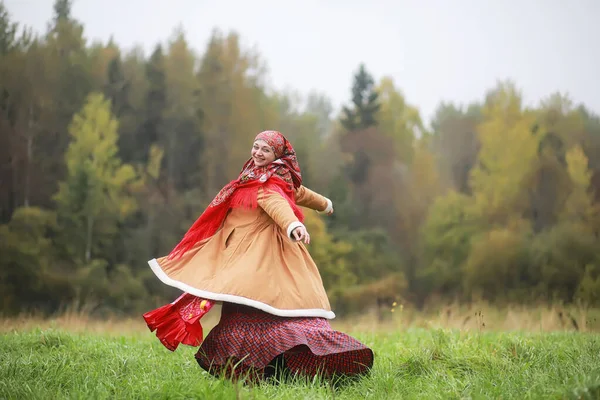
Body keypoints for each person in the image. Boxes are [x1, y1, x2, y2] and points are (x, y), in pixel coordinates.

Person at [142, 130, 374, 383]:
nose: (258, 153)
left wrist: (293, 224)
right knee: (245, 303)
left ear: (277, 155)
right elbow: (297, 192)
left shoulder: (270, 181)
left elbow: (280, 200)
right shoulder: (257, 175)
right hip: (243, 251)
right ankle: (261, 367)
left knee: (265, 303)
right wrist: (325, 204)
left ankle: (279, 362)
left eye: (265, 150)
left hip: (262, 253)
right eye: (255, 147)